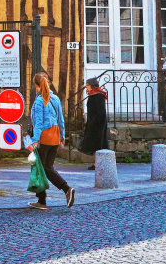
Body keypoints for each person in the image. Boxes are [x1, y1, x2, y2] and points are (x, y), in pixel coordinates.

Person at [28, 71, 75, 210]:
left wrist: (35, 140)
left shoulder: (39, 101)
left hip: (44, 137)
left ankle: (59, 192)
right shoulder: (55, 99)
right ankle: (47, 197)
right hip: (55, 136)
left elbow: (39, 124)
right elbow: (61, 120)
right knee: (46, 168)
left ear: (36, 85)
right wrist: (62, 137)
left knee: (39, 169)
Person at [79, 77, 109, 170]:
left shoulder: (99, 96)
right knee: (95, 144)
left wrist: (94, 121)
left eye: (87, 85)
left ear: (92, 86)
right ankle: (96, 163)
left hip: (98, 124)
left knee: (99, 144)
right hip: (93, 123)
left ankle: (99, 164)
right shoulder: (93, 95)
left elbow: (101, 113)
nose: (86, 87)